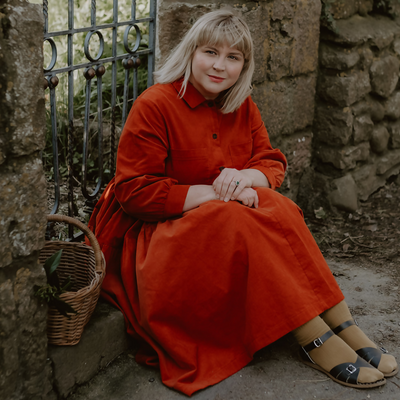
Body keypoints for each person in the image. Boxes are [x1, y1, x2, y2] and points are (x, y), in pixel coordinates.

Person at [87, 10, 398, 395]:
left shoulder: (240, 105)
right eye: (210, 52)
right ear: (191, 52)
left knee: (280, 207)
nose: (220, 65)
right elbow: (134, 192)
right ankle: (314, 338)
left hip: (215, 220)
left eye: (233, 57)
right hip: (151, 233)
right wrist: (220, 192)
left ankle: (343, 322)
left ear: (244, 66)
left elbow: (270, 161)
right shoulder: (156, 105)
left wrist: (245, 179)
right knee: (235, 216)